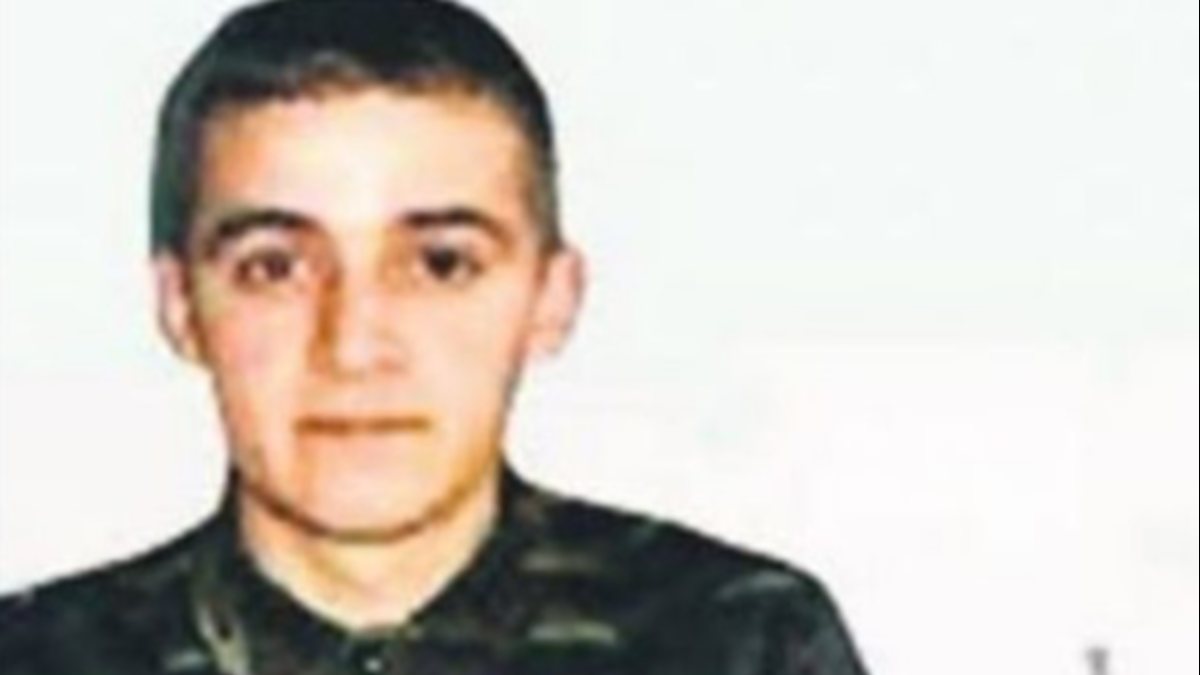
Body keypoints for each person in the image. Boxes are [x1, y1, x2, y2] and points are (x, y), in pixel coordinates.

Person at [0, 1, 869, 673]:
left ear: (550, 298)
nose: (353, 346)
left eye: (440, 264)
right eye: (275, 267)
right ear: (181, 305)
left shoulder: (734, 642)